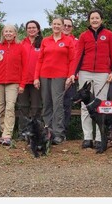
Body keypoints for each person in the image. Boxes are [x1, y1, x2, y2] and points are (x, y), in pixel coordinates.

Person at [69, 9, 112, 149]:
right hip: (85, 72)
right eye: (92, 18)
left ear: (101, 19)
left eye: (97, 18)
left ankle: (99, 138)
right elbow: (78, 55)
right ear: (89, 20)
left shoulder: (109, 35)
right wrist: (74, 73)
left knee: (101, 106)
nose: (94, 20)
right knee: (85, 106)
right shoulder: (84, 36)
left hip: (103, 72)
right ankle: (88, 137)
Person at [34, 17, 75, 145]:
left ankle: (58, 133)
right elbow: (40, 60)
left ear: (63, 26)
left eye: (59, 24)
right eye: (54, 24)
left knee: (58, 104)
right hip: (44, 75)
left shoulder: (68, 41)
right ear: (51, 26)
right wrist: (36, 77)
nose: (56, 26)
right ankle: (48, 131)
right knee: (46, 103)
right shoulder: (46, 40)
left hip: (60, 76)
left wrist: (70, 75)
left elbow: (72, 60)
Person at [0, 24, 27, 146]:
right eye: (6, 31)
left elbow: (25, 67)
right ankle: (3, 132)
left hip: (13, 82)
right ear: (3, 33)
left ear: (15, 33)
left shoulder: (20, 47)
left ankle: (7, 135)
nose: (8, 33)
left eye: (11, 31)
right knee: (0, 108)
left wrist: (22, 84)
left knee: (10, 107)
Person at [16, 20, 43, 140]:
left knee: (36, 107)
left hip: (36, 80)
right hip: (23, 80)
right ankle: (23, 132)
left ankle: (36, 131)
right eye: (29, 28)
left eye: (34, 27)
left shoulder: (43, 43)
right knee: (23, 106)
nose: (31, 30)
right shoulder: (21, 44)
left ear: (38, 29)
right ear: (26, 30)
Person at [62, 18, 79, 135]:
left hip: (71, 78)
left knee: (67, 105)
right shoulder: (53, 40)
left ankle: (63, 132)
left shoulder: (77, 41)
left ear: (72, 28)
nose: (67, 27)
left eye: (69, 26)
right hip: (56, 77)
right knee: (54, 104)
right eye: (65, 25)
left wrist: (71, 75)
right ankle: (53, 131)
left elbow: (76, 60)